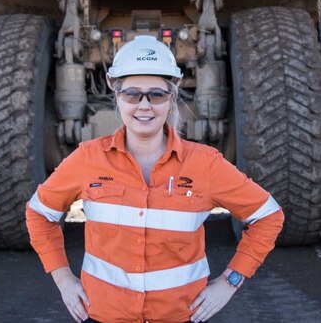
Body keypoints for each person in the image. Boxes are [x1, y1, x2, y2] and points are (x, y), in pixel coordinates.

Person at [26, 35, 284, 323]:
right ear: (117, 95)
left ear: (172, 96)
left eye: (157, 94)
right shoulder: (88, 158)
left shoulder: (205, 164)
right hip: (103, 316)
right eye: (132, 94)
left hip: (180, 316)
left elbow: (268, 216)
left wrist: (230, 282)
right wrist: (63, 279)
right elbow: (39, 213)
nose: (144, 105)